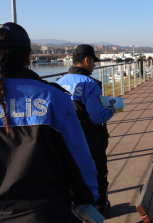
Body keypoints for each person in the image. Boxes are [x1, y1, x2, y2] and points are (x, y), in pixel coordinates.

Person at [0, 23, 99, 222]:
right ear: (29, 56)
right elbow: (79, 160)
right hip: (47, 213)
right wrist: (88, 201)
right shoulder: (53, 98)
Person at [56, 44, 116, 214]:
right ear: (86, 60)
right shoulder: (91, 84)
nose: (95, 65)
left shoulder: (59, 83)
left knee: (73, 174)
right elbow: (97, 117)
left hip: (67, 138)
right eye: (93, 62)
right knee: (98, 174)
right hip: (91, 139)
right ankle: (100, 207)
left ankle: (76, 208)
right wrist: (112, 108)